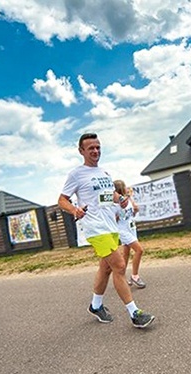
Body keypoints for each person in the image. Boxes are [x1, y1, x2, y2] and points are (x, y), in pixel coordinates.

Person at [58, 133, 155, 328]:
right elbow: (62, 200)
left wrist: (119, 198)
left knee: (106, 268)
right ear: (81, 151)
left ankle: (96, 306)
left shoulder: (104, 173)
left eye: (98, 147)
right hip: (95, 227)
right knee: (119, 266)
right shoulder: (76, 174)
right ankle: (135, 313)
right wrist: (74, 210)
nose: (95, 151)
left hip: (111, 226)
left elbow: (106, 196)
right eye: (90, 148)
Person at [114, 180, 146, 289]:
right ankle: (135, 276)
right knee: (139, 250)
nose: (127, 188)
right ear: (121, 189)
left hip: (131, 227)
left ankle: (121, 276)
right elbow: (114, 219)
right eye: (125, 187)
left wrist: (135, 208)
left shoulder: (128, 199)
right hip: (122, 230)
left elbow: (134, 211)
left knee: (126, 253)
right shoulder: (116, 204)